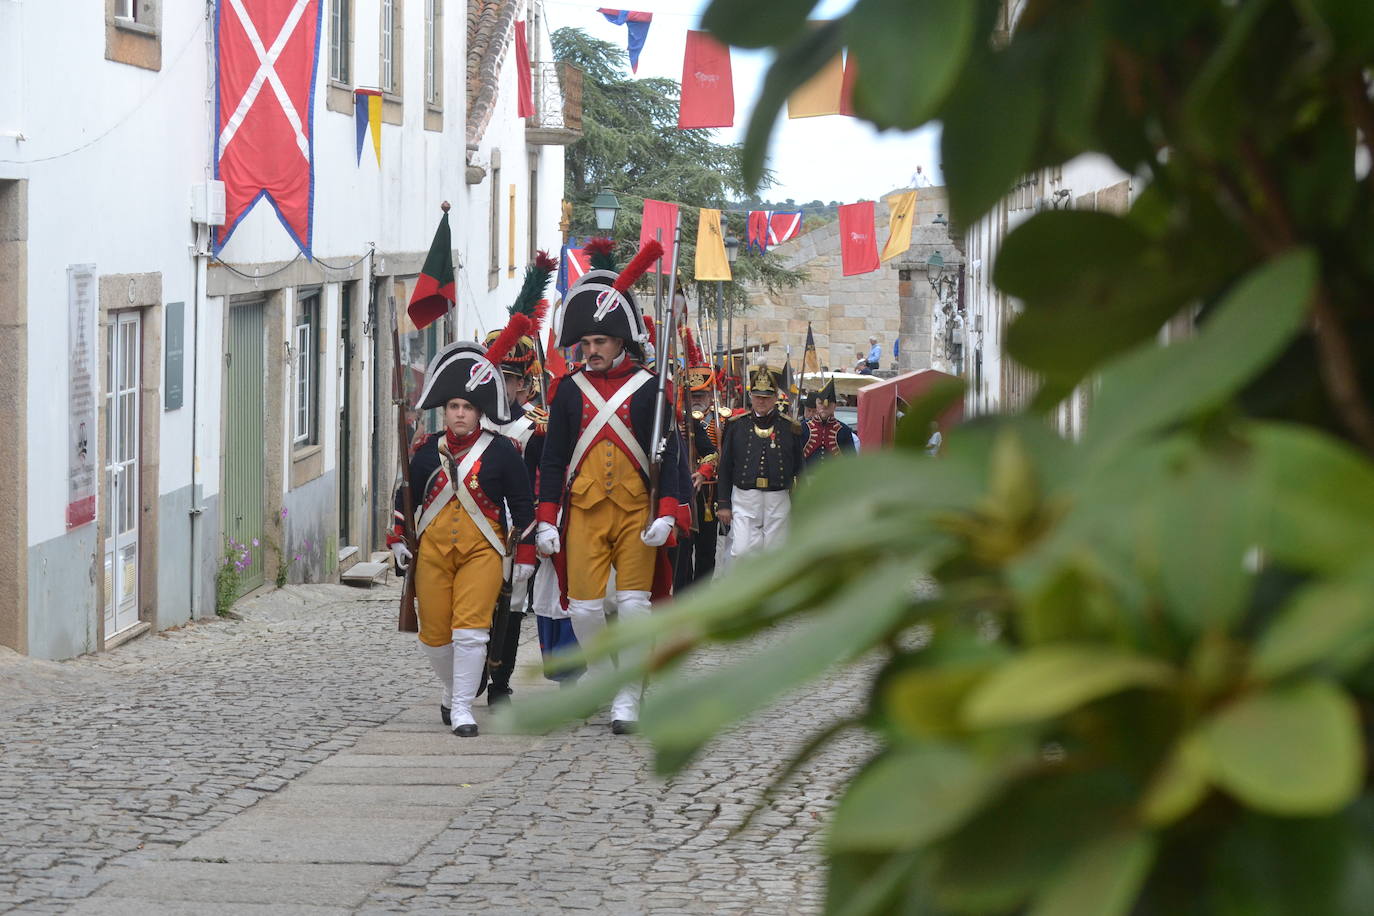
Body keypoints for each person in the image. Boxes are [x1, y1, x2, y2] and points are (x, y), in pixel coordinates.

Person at [536, 239, 682, 735]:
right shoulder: (568, 392)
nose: (591, 350)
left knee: (636, 605)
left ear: (621, 341)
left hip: (637, 512)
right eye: (587, 342)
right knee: (584, 607)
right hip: (584, 512)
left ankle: (627, 694)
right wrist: (545, 519)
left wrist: (666, 512)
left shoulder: (649, 389)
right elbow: (554, 460)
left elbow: (671, 454)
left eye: (601, 341)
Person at [389, 342, 537, 738]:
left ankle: (461, 709)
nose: (459, 413)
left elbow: (523, 508)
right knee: (435, 636)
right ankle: (456, 688)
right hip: (433, 554)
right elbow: (405, 496)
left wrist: (524, 557)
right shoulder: (424, 452)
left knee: (471, 632)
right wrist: (399, 540)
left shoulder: (503, 452)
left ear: (479, 411)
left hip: (482, 553)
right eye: (454, 406)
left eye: (467, 407)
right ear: (445, 410)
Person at [479, 329, 549, 705]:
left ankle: (500, 680)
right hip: (476, 526)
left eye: (506, 379)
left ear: (520, 383)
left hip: (516, 529)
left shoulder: (535, 429)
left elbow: (542, 486)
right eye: (492, 376)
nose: (498, 386)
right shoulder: (469, 419)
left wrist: (532, 535)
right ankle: (471, 674)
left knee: (513, 604)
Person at [715, 365, 805, 559]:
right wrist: (723, 503)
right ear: (751, 396)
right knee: (742, 551)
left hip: (778, 497)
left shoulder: (790, 427)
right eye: (757, 396)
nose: (761, 401)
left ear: (775, 398)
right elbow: (725, 467)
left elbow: (800, 468)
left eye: (766, 397)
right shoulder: (736, 425)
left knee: (775, 553)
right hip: (745, 497)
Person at [803, 379, 857, 469]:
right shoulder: (803, 427)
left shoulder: (844, 430)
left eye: (828, 405)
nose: (824, 407)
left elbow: (851, 460)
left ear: (834, 406)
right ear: (816, 404)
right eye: (820, 404)